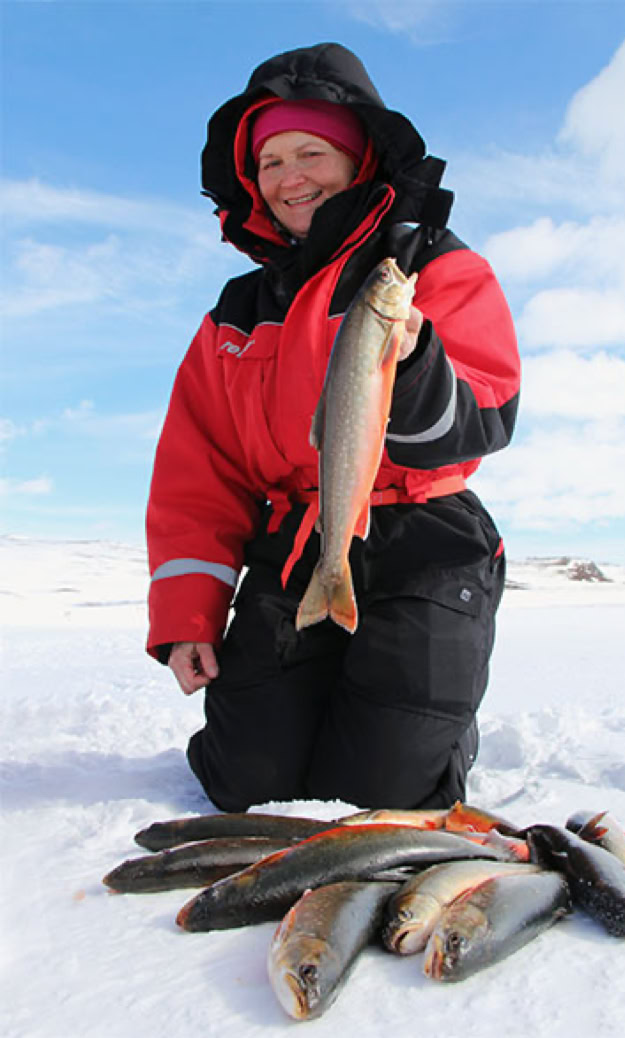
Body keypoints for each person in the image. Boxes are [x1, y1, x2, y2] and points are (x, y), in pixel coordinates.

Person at [146, 42, 520, 812]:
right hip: (296, 546)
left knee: (382, 796)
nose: (290, 177)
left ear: (358, 160)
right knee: (244, 787)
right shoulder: (236, 312)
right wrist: (190, 615)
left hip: (425, 543)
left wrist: (413, 366)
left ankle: (438, 739)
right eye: (271, 161)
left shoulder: (431, 266)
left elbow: (485, 413)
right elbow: (198, 471)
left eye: (311, 152)